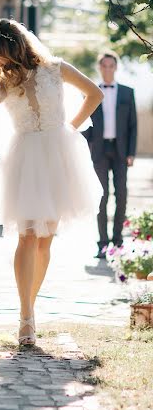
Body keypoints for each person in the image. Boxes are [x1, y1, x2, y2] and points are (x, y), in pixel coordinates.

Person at [0, 18, 103, 346]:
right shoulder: (2, 81)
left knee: (46, 239)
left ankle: (31, 305)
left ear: (14, 47)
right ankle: (26, 316)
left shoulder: (55, 68)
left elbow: (94, 94)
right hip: (25, 158)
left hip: (59, 155)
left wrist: (70, 128)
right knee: (27, 236)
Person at [83, 51, 137, 258]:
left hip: (121, 150)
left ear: (115, 67)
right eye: (104, 66)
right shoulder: (91, 91)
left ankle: (118, 241)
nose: (107, 69)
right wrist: (85, 148)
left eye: (110, 66)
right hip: (99, 150)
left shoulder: (126, 92)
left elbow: (133, 125)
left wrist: (131, 152)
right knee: (101, 196)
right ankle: (102, 244)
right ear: (99, 67)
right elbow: (86, 122)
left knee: (121, 195)